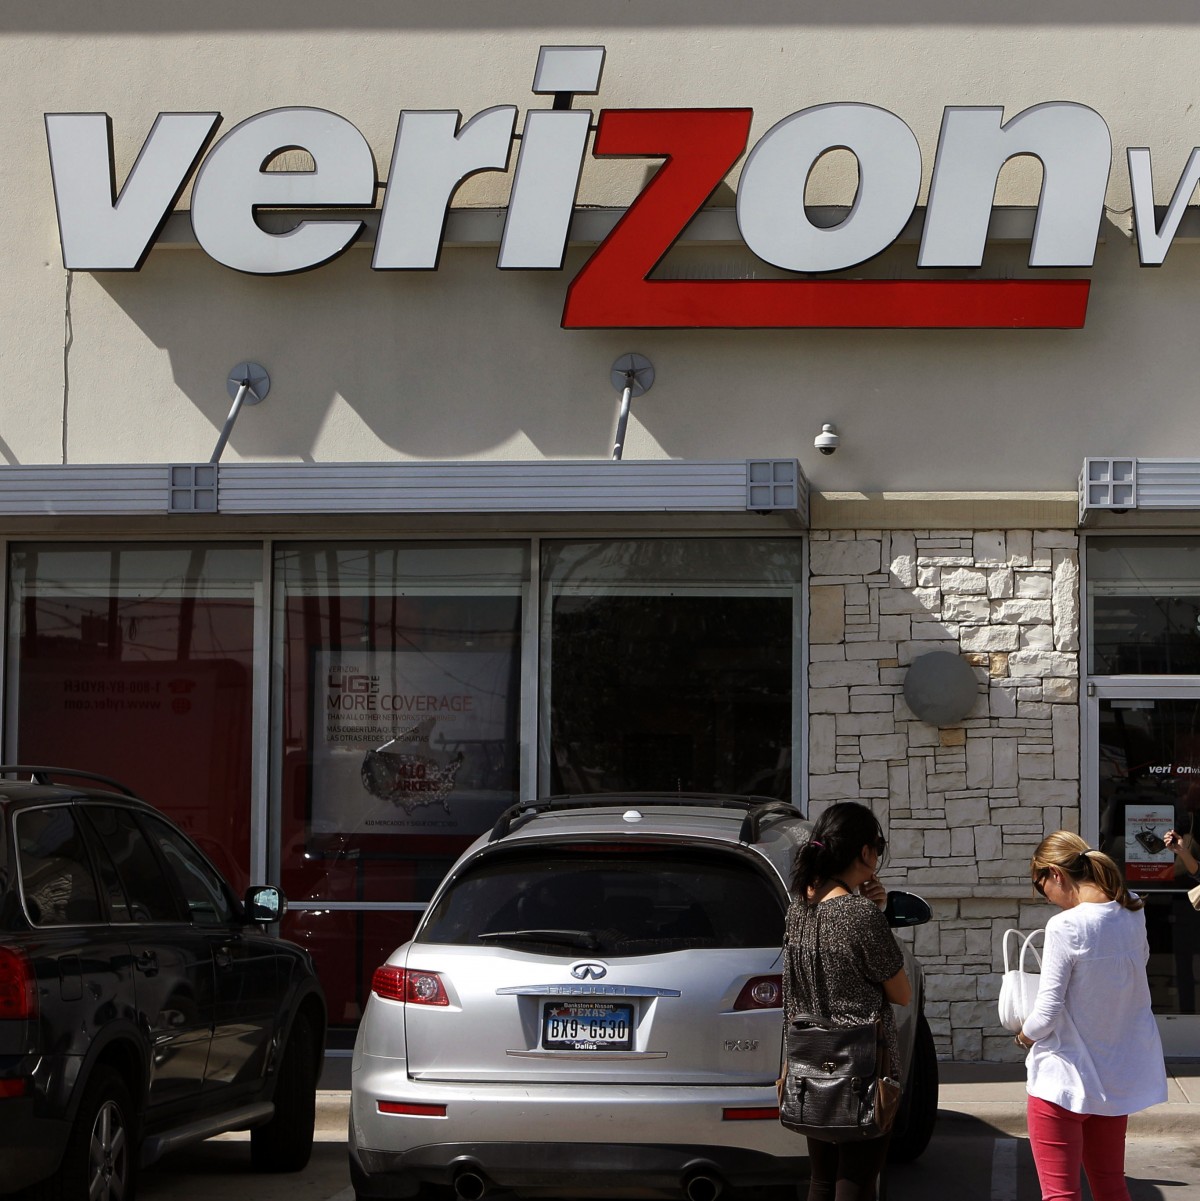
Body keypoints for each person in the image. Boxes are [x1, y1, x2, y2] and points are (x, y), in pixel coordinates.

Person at [1015, 831, 1167, 1201]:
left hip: (1063, 1079)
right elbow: (1136, 968)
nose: (1045, 897)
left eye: (1040, 886)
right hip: (1114, 1079)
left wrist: (1024, 1035)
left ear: (1055, 874)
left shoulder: (1066, 926)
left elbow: (1047, 1012)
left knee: (1060, 1195)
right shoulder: (1131, 908)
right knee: (1112, 1187)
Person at [782, 801, 911, 1201]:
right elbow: (901, 993)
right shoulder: (859, 915)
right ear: (865, 852)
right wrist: (876, 913)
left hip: (809, 1059)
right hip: (862, 1067)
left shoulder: (799, 908)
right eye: (878, 847)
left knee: (822, 1178)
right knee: (856, 1180)